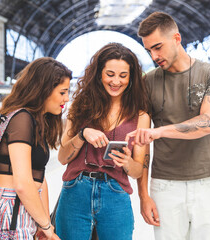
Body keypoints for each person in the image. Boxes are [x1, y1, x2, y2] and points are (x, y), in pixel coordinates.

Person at [126, 12, 210, 240]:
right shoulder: (147, 82)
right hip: (164, 185)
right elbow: (142, 143)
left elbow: (208, 122)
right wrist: (143, 195)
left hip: (207, 182)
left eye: (158, 47)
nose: (154, 56)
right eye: (149, 50)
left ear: (177, 38)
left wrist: (159, 131)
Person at [55, 42, 150, 240]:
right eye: (110, 74)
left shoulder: (140, 116)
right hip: (75, 192)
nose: (116, 81)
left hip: (116, 193)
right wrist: (82, 135)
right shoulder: (80, 108)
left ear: (131, 78)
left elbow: (137, 170)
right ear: (99, 74)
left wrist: (127, 162)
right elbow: (63, 158)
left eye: (123, 76)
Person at [0, 57, 72, 240]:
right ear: (44, 90)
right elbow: (23, 184)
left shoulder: (35, 121)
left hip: (27, 209)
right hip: (14, 210)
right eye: (63, 92)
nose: (66, 98)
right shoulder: (21, 119)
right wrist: (46, 226)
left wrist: (43, 222)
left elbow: (39, 178)